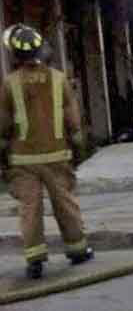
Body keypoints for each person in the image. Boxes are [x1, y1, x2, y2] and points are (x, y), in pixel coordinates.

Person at [0, 24, 94, 280]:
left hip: (23, 160)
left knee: (30, 209)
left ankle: (35, 260)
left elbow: (4, 125)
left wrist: (2, 155)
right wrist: (78, 146)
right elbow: (73, 119)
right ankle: (77, 250)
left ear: (14, 54)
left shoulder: (9, 84)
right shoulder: (58, 78)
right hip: (57, 156)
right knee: (65, 204)